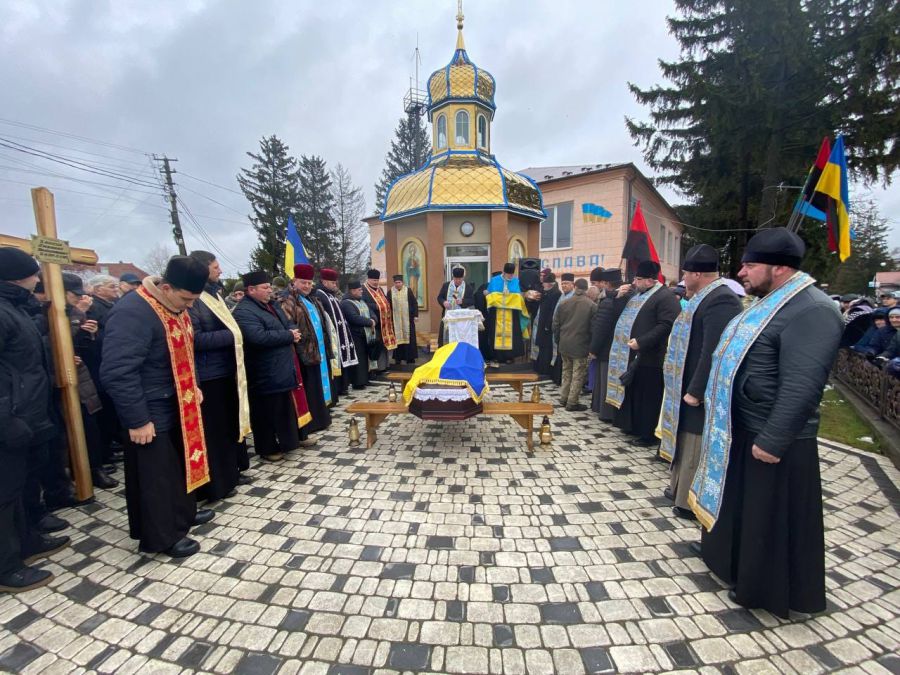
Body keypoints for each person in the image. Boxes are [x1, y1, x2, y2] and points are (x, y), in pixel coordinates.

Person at [691, 227, 842, 619]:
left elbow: (803, 384)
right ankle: (731, 564)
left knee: (767, 521)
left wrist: (773, 439)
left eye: (750, 265)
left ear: (779, 268)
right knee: (746, 511)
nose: (741, 272)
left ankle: (761, 589)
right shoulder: (770, 302)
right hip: (743, 427)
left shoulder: (813, 309)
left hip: (772, 437)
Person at [101, 256, 214, 558]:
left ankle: (182, 515)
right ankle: (163, 536)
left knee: (177, 466)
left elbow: (186, 351)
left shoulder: (174, 306)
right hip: (150, 408)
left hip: (178, 401)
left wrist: (194, 385)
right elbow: (118, 371)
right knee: (157, 476)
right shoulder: (133, 312)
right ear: (166, 288)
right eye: (186, 299)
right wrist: (137, 419)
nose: (190, 306)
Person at [0, 248, 71, 592]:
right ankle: (6, 567)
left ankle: (28, 540)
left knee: (25, 481)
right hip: (10, 419)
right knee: (4, 494)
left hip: (30, 413)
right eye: (34, 272)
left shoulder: (16, 307)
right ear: (19, 276)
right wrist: (5, 418)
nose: (39, 278)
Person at [656, 245, 742, 520]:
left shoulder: (721, 300)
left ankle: (688, 501)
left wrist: (696, 389)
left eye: (685, 273)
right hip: (685, 383)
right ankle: (677, 487)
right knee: (683, 440)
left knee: (694, 443)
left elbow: (713, 349)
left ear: (697, 274)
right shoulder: (702, 297)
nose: (682, 277)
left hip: (699, 392)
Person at [187, 251, 251, 500]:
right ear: (203, 270)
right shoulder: (194, 300)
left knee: (229, 425)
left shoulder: (214, 295)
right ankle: (219, 481)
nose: (220, 271)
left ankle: (232, 471)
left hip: (226, 370)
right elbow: (195, 339)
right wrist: (233, 334)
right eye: (215, 267)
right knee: (215, 431)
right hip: (209, 375)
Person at [233, 271, 310, 461]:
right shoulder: (244, 311)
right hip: (264, 370)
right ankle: (268, 448)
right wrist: (289, 336)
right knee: (265, 411)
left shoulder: (271, 304)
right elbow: (257, 337)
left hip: (281, 366)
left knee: (283, 408)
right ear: (251, 289)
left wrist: (293, 330)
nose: (270, 290)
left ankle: (288, 442)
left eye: (269, 286)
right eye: (265, 287)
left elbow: (288, 323)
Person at [606, 260, 681, 446]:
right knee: (635, 394)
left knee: (648, 398)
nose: (634, 282)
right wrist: (619, 297)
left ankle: (647, 435)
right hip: (634, 356)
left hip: (653, 358)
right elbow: (620, 317)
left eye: (638, 279)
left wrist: (642, 341)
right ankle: (632, 426)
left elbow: (667, 325)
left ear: (650, 280)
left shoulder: (665, 297)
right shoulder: (639, 295)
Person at [61, 273, 118, 490]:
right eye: (74, 295)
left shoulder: (79, 312)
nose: (79, 298)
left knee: (91, 423)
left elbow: (86, 345)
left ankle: (96, 466)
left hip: (84, 374)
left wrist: (90, 334)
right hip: (62, 379)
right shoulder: (51, 314)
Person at [278, 264, 333, 435]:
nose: (307, 286)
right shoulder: (287, 300)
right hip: (302, 351)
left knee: (316, 385)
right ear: (294, 281)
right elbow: (288, 323)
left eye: (309, 283)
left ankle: (320, 419)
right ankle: (311, 423)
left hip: (317, 349)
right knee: (309, 387)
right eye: (303, 282)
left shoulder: (312, 299)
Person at [590, 268, 629, 422]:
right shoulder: (628, 298)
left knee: (605, 382)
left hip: (606, 348)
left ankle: (605, 413)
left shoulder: (608, 302)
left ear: (607, 284)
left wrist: (593, 349)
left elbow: (600, 327)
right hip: (622, 347)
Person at [552, 278, 596, 411]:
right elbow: (593, 328)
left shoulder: (563, 303)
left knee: (566, 371)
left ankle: (563, 397)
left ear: (575, 287)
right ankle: (572, 402)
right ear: (586, 289)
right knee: (578, 374)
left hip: (564, 343)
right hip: (580, 345)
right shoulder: (591, 305)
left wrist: (558, 340)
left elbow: (555, 324)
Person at [315, 268, 358, 397]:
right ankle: (338, 388)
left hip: (340, 333)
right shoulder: (320, 294)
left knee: (341, 358)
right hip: (332, 334)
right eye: (332, 282)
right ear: (324, 282)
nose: (335, 285)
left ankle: (343, 387)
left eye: (335, 282)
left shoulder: (331, 294)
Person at [483, 263, 530, 367]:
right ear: (504, 272)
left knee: (511, 334)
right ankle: (497, 356)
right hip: (497, 312)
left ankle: (509, 357)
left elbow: (518, 296)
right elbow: (489, 294)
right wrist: (488, 294)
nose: (510, 277)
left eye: (512, 275)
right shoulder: (495, 280)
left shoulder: (516, 281)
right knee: (496, 334)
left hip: (511, 313)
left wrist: (512, 297)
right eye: (509, 274)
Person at [340, 281, 377, 389]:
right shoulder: (346, 303)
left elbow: (372, 313)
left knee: (366, 359)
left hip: (366, 335)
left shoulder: (362, 301)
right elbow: (353, 318)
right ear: (352, 291)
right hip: (355, 336)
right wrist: (370, 322)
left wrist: (374, 319)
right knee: (359, 360)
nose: (362, 291)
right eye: (359, 290)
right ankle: (358, 382)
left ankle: (366, 379)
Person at [362, 269, 396, 373]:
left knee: (383, 344)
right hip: (373, 322)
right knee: (376, 345)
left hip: (384, 323)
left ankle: (385, 366)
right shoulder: (364, 289)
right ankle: (376, 368)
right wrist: (376, 306)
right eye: (373, 280)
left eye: (377, 280)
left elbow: (385, 301)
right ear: (368, 279)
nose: (375, 282)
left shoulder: (379, 289)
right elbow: (363, 303)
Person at [531, 273, 561, 379]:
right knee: (541, 346)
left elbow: (553, 311)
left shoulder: (556, 294)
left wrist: (548, 325)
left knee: (547, 348)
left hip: (547, 325)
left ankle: (545, 369)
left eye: (544, 283)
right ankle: (539, 367)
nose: (542, 285)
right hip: (541, 322)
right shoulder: (546, 292)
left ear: (549, 284)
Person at [437, 266, 475, 347]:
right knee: (445, 337)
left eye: (459, 279)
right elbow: (439, 297)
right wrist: (444, 302)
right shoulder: (446, 286)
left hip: (461, 319)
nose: (457, 281)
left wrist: (463, 301)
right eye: (455, 279)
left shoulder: (468, 287)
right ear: (453, 277)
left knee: (459, 338)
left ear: (463, 278)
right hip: (448, 315)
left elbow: (472, 300)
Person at [390, 275, 418, 365]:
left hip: (408, 320)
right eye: (396, 283)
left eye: (399, 282)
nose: (398, 284)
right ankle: (398, 358)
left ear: (402, 283)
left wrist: (415, 315)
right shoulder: (390, 292)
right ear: (394, 283)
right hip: (396, 321)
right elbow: (388, 305)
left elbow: (414, 303)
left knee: (409, 339)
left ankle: (410, 358)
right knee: (398, 340)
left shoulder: (408, 291)